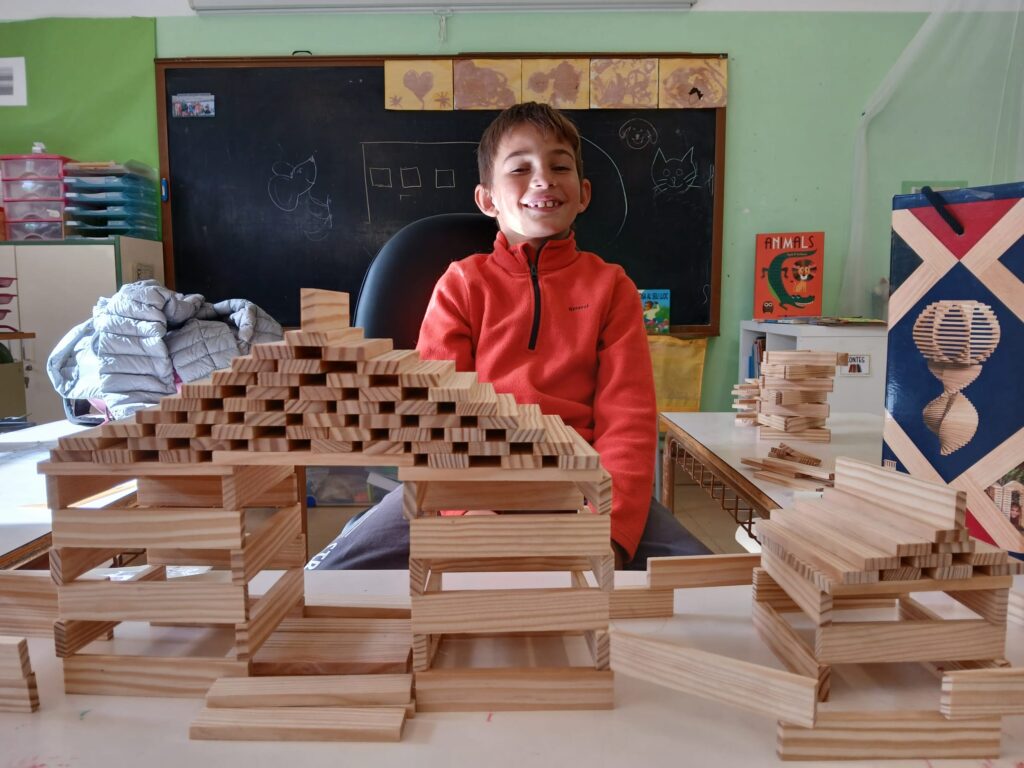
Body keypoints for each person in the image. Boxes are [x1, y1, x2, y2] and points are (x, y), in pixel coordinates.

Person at [307, 102, 709, 572]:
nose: (543, 180)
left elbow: (628, 419)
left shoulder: (612, 288)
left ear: (583, 194)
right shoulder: (461, 284)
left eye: (560, 166)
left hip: (581, 484)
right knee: (330, 576)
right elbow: (436, 413)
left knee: (707, 581)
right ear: (487, 200)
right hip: (473, 480)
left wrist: (610, 530)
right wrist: (464, 509)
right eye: (520, 169)